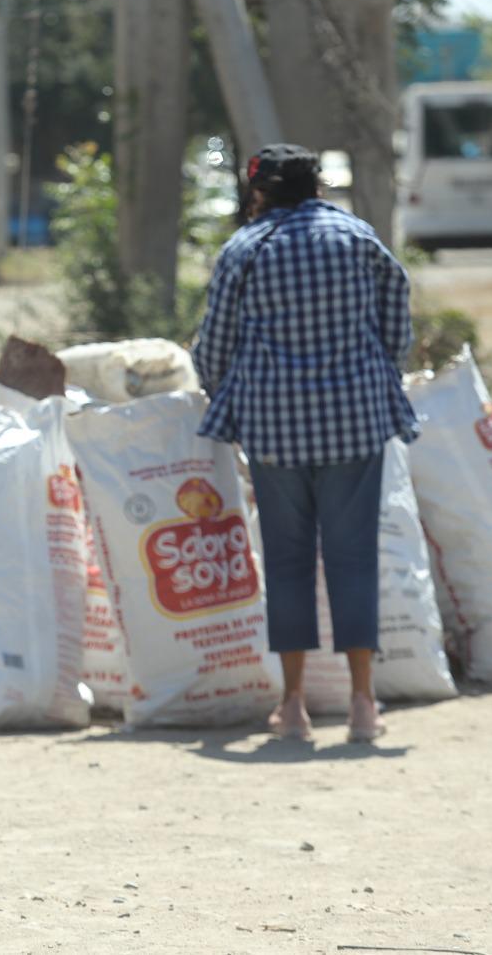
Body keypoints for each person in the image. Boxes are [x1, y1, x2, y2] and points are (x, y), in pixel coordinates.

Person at [192, 144, 418, 743]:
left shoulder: (245, 249)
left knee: (288, 562)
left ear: (258, 192)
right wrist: (375, 371)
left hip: (274, 430)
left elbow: (214, 347)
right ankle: (363, 704)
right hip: (356, 424)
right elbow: (397, 321)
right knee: (354, 558)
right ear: (316, 186)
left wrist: (225, 391)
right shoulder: (358, 238)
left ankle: (292, 706)